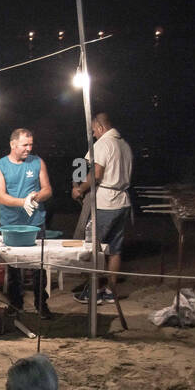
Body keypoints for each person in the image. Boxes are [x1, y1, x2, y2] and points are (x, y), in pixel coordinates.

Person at [0, 128, 54, 319]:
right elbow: (0, 196)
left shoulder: (37, 162)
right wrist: (22, 202)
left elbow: (48, 189)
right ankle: (16, 303)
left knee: (38, 266)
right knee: (13, 266)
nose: (29, 148)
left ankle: (41, 303)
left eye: (31, 144)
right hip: (10, 223)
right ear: (13, 144)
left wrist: (34, 198)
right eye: (25, 145)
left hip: (36, 222)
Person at [71, 112, 133, 303]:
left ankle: (94, 290)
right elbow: (82, 166)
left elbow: (96, 174)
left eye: (94, 131)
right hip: (123, 201)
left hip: (106, 202)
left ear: (100, 127)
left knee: (94, 247)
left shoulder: (103, 143)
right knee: (114, 249)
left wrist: (79, 188)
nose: (93, 135)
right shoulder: (125, 145)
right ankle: (110, 290)